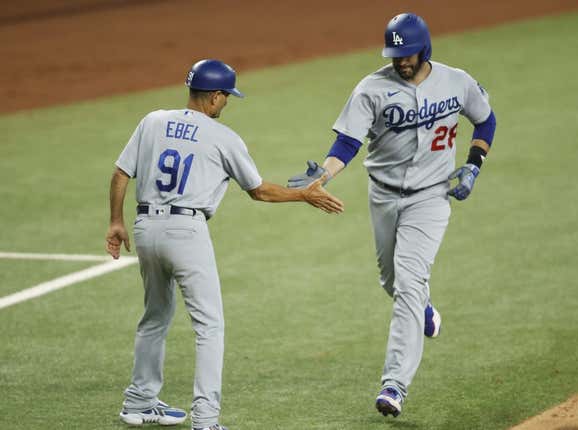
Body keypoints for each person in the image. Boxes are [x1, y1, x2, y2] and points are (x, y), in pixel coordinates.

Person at [105, 59, 344, 430]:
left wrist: (116, 222)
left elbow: (121, 173)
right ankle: (205, 420)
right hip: (186, 232)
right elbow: (259, 191)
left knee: (154, 316)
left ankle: (138, 402)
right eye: (227, 96)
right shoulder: (223, 137)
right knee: (209, 327)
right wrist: (303, 195)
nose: (227, 103)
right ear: (214, 96)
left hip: (145, 227)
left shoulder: (152, 121)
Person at [288, 13, 496, 418]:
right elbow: (348, 141)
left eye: (408, 53)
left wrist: (474, 164)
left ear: (425, 49)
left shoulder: (456, 81)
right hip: (383, 196)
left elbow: (486, 118)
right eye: (395, 54)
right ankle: (423, 308)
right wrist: (324, 175)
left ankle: (394, 385)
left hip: (431, 198)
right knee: (392, 280)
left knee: (408, 281)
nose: (401, 60)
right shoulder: (372, 88)